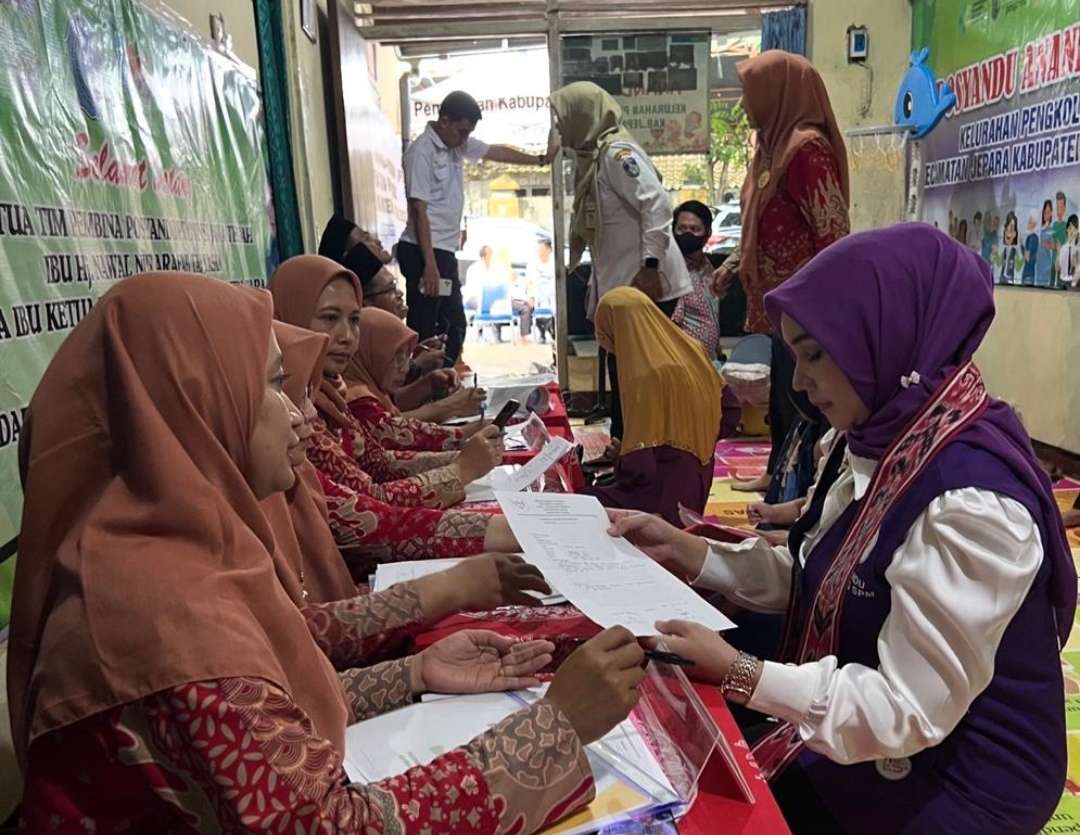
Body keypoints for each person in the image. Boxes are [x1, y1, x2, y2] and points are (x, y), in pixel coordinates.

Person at [10, 271, 647, 833]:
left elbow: (271, 694)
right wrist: (553, 729)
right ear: (196, 402)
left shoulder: (174, 550)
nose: (299, 417)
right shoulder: (163, 617)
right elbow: (330, 825)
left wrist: (414, 674)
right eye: (273, 386)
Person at [609, 225, 1074, 833]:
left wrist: (741, 672)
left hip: (961, 776)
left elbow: (908, 710)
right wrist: (690, 552)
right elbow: (825, 573)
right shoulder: (881, 435)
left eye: (815, 355)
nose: (798, 383)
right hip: (869, 722)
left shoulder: (971, 502)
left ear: (886, 338)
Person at [710, 51, 850, 493]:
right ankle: (780, 475)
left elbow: (833, 230)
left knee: (807, 397)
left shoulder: (806, 150)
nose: (744, 104)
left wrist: (823, 305)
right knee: (784, 395)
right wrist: (733, 264)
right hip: (779, 302)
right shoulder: (769, 149)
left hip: (807, 303)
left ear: (777, 93)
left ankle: (806, 489)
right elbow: (759, 224)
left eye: (750, 93)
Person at [271, 254, 502, 509]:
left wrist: (465, 456)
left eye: (354, 320)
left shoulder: (330, 395)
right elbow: (366, 508)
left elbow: (379, 461)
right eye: (329, 318)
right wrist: (463, 465)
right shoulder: (297, 409)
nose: (347, 336)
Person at [548, 81, 692, 442]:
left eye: (562, 119)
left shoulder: (617, 154)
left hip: (646, 285)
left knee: (639, 377)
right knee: (626, 376)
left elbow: (656, 203)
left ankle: (641, 449)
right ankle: (627, 447)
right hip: (626, 288)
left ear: (583, 116)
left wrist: (650, 266)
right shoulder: (594, 159)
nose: (559, 128)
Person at [398, 91, 549, 366]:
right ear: (444, 121)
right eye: (462, 131)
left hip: (443, 251)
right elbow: (419, 211)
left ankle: (443, 377)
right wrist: (430, 265)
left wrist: (540, 159)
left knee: (451, 324)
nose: (464, 139)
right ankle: (423, 384)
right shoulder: (421, 152)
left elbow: (495, 152)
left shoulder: (456, 144)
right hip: (423, 252)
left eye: (468, 133)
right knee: (427, 326)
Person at [583, 287, 724, 525]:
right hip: (698, 482)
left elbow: (641, 470)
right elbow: (730, 411)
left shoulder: (645, 375)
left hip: (662, 497)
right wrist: (694, 435)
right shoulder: (693, 349)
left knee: (581, 501)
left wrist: (621, 458)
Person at [344, 307, 486, 451]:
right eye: (397, 358)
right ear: (371, 352)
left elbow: (396, 412)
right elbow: (399, 435)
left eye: (407, 357)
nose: (405, 368)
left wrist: (428, 387)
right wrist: (466, 425)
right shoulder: (357, 400)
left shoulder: (372, 387)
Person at [671, 200, 721, 358]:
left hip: (710, 361)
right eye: (682, 228)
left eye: (694, 229)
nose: (687, 234)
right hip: (685, 361)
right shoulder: (672, 271)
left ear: (707, 233)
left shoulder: (707, 267)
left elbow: (711, 314)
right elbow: (671, 325)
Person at [526, 237, 556, 342]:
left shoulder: (555, 263)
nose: (539, 252)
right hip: (537, 296)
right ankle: (542, 333)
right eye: (538, 249)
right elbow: (529, 283)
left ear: (549, 250)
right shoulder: (532, 264)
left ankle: (551, 331)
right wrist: (531, 296)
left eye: (541, 249)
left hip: (552, 296)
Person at [1037, 199, 1056, 287]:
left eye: (1048, 212)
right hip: (1037, 266)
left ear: (1051, 213)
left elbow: (1053, 246)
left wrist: (1048, 245)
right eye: (1044, 212)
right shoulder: (1039, 228)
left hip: (1046, 267)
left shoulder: (1051, 230)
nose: (1046, 214)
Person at [1058, 213, 1079, 289]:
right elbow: (1058, 266)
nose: (1071, 232)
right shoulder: (1063, 247)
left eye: (1074, 229)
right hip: (1062, 281)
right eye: (1070, 228)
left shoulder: (1077, 246)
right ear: (1067, 230)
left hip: (1074, 282)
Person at [999, 211, 1019, 284]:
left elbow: (1018, 267)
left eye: (1011, 230)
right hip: (1002, 278)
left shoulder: (1015, 251)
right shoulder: (1003, 250)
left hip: (1010, 279)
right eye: (1006, 230)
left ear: (1015, 233)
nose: (1008, 233)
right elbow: (999, 263)